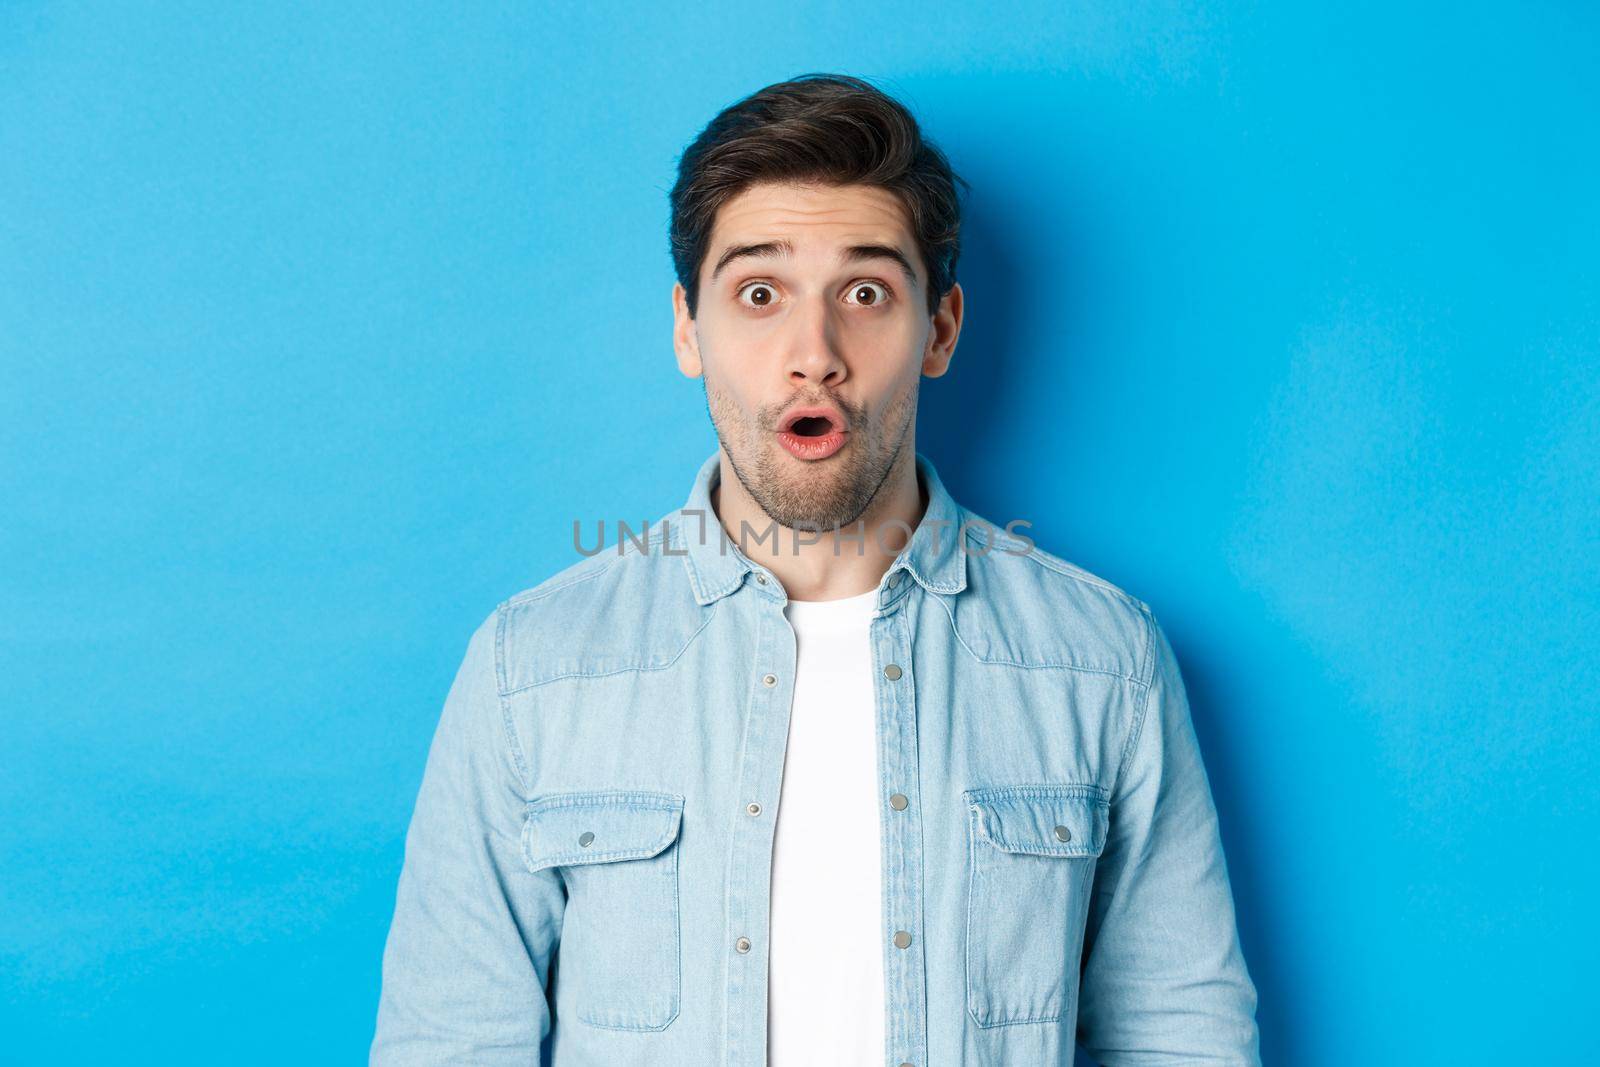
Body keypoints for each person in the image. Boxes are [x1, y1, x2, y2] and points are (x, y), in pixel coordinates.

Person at [371, 72, 1260, 1066]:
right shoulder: (530, 669)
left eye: (866, 292)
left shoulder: (1102, 662)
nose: (814, 352)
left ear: (941, 328)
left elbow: (1181, 1033)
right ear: (685, 327)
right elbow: (446, 1042)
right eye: (759, 293)